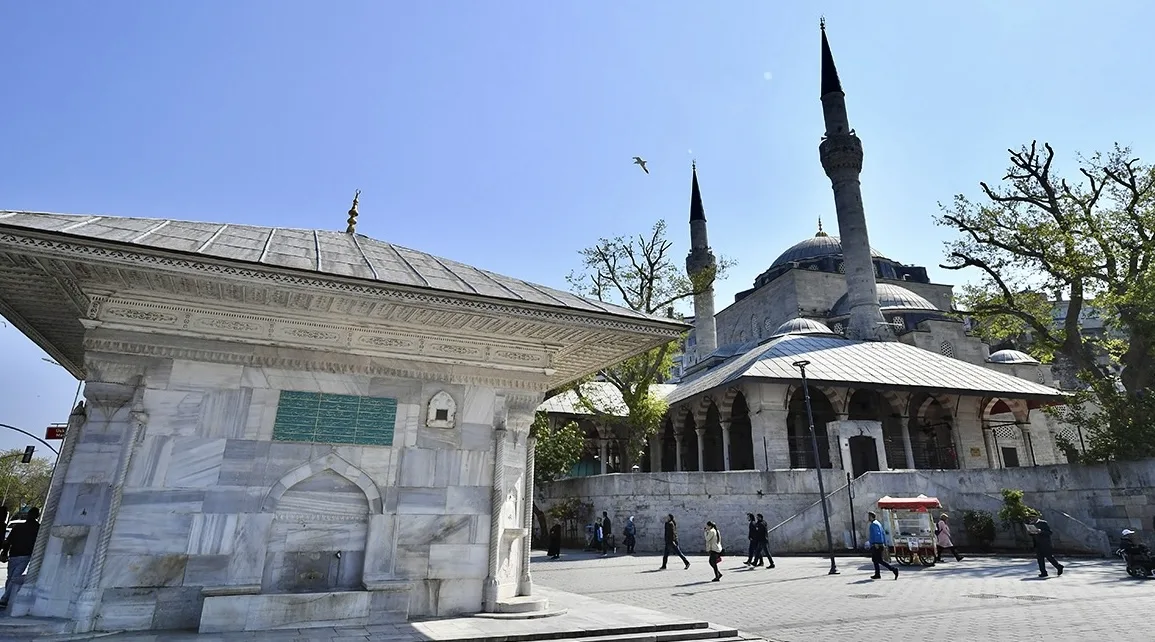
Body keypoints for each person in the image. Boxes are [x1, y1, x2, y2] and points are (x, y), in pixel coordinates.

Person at [0, 506, 40, 609]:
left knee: (11, 577)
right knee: (14, 577)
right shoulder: (38, 528)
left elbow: (8, 542)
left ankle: (5, 597)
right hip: (25, 555)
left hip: (14, 554)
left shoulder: (18, 527)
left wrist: (4, 553)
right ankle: (5, 597)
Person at [867, 511, 899, 580]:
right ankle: (877, 574)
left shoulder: (874, 524)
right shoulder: (878, 523)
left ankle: (894, 569)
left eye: (869, 516)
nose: (868, 518)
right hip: (877, 544)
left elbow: (877, 534)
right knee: (875, 559)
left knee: (879, 560)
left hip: (876, 544)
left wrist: (876, 543)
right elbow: (883, 533)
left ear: (871, 517)